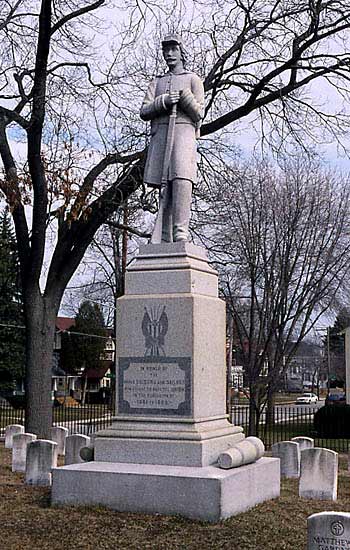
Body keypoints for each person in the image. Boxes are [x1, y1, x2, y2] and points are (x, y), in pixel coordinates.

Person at [140, 34, 204, 242]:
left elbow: (199, 114)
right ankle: (164, 233)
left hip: (184, 132)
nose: (169, 54)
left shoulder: (193, 79)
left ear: (181, 52)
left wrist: (185, 99)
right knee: (163, 184)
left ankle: (180, 231)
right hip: (162, 135)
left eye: (173, 49)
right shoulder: (157, 82)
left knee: (182, 178)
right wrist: (164, 101)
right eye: (166, 50)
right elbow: (144, 110)